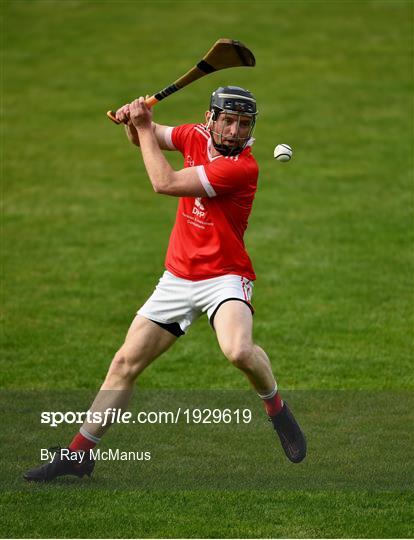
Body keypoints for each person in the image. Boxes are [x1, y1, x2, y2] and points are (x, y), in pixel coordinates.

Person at [24, 86, 306, 482]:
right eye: (228, 119)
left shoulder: (242, 168)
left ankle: (276, 408)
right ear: (211, 118)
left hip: (224, 276)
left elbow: (165, 182)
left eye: (244, 123)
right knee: (124, 364)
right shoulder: (192, 135)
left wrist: (140, 124)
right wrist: (133, 122)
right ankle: (79, 454)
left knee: (238, 350)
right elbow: (148, 135)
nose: (235, 130)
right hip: (177, 277)